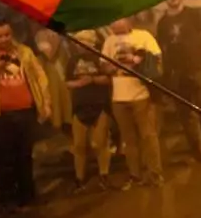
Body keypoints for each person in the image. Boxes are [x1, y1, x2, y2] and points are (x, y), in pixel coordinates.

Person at [0, 15, 51, 208]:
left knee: (25, 156)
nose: (4, 39)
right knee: (4, 159)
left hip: (25, 111)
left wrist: (45, 103)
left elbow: (40, 77)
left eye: (7, 35)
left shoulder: (24, 52)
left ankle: (27, 195)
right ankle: (8, 198)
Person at [157, 0, 201, 163]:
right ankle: (197, 152)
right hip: (176, 73)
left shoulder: (194, 14)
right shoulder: (163, 22)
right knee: (185, 114)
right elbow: (162, 48)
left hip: (196, 69)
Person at [103, 17, 166, 188]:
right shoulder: (109, 41)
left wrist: (136, 61)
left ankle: (154, 173)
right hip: (119, 98)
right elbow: (104, 65)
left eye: (119, 20)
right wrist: (114, 66)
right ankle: (135, 175)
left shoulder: (143, 36)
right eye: (113, 21)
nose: (115, 24)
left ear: (128, 20)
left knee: (148, 136)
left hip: (142, 95)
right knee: (129, 140)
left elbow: (157, 61)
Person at [66, 31, 113, 191]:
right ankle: (79, 178)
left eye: (83, 41)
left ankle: (104, 175)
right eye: (77, 41)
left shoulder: (100, 59)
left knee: (100, 143)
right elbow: (67, 82)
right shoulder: (72, 61)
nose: (79, 45)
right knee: (79, 145)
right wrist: (79, 84)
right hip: (79, 106)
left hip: (99, 105)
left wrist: (92, 80)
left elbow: (108, 79)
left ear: (92, 43)